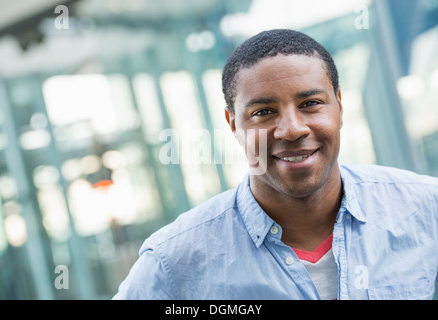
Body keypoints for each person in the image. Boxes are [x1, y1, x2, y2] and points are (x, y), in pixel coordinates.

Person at [113, 29, 438, 300]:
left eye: (310, 103)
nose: (293, 129)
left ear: (339, 105)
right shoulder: (173, 262)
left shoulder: (425, 208)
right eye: (263, 112)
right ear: (233, 126)